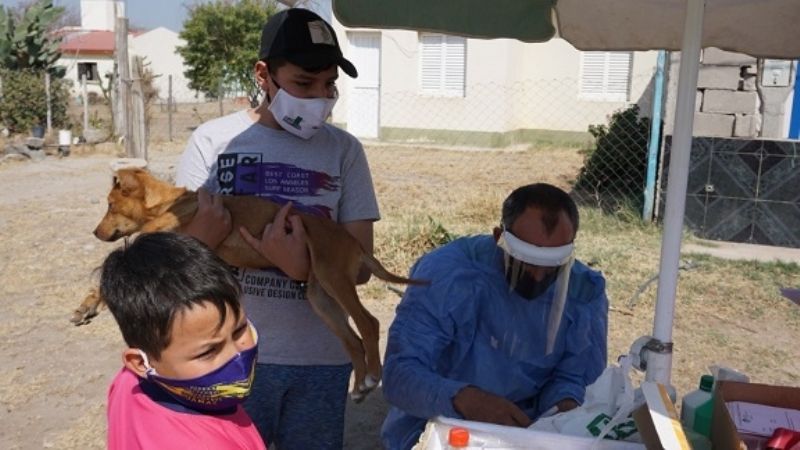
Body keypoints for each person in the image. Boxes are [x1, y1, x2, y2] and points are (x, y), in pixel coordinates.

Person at [175, 8, 379, 450]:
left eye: (329, 86)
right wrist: (199, 241)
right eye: (304, 84)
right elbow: (171, 262)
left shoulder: (344, 151)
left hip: (319, 359)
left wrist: (303, 266)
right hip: (227, 356)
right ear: (263, 75)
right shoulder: (213, 142)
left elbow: (361, 263)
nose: (319, 97)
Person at [380, 183, 609, 450]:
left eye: (551, 268)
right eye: (526, 262)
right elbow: (400, 374)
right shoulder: (447, 275)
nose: (537, 276)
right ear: (498, 236)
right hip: (438, 427)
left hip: (527, 431)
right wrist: (464, 399)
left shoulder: (584, 291)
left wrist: (565, 410)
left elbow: (575, 378)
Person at [100, 232, 265, 450]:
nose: (236, 355)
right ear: (140, 363)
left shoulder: (129, 382)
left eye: (239, 331)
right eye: (208, 352)